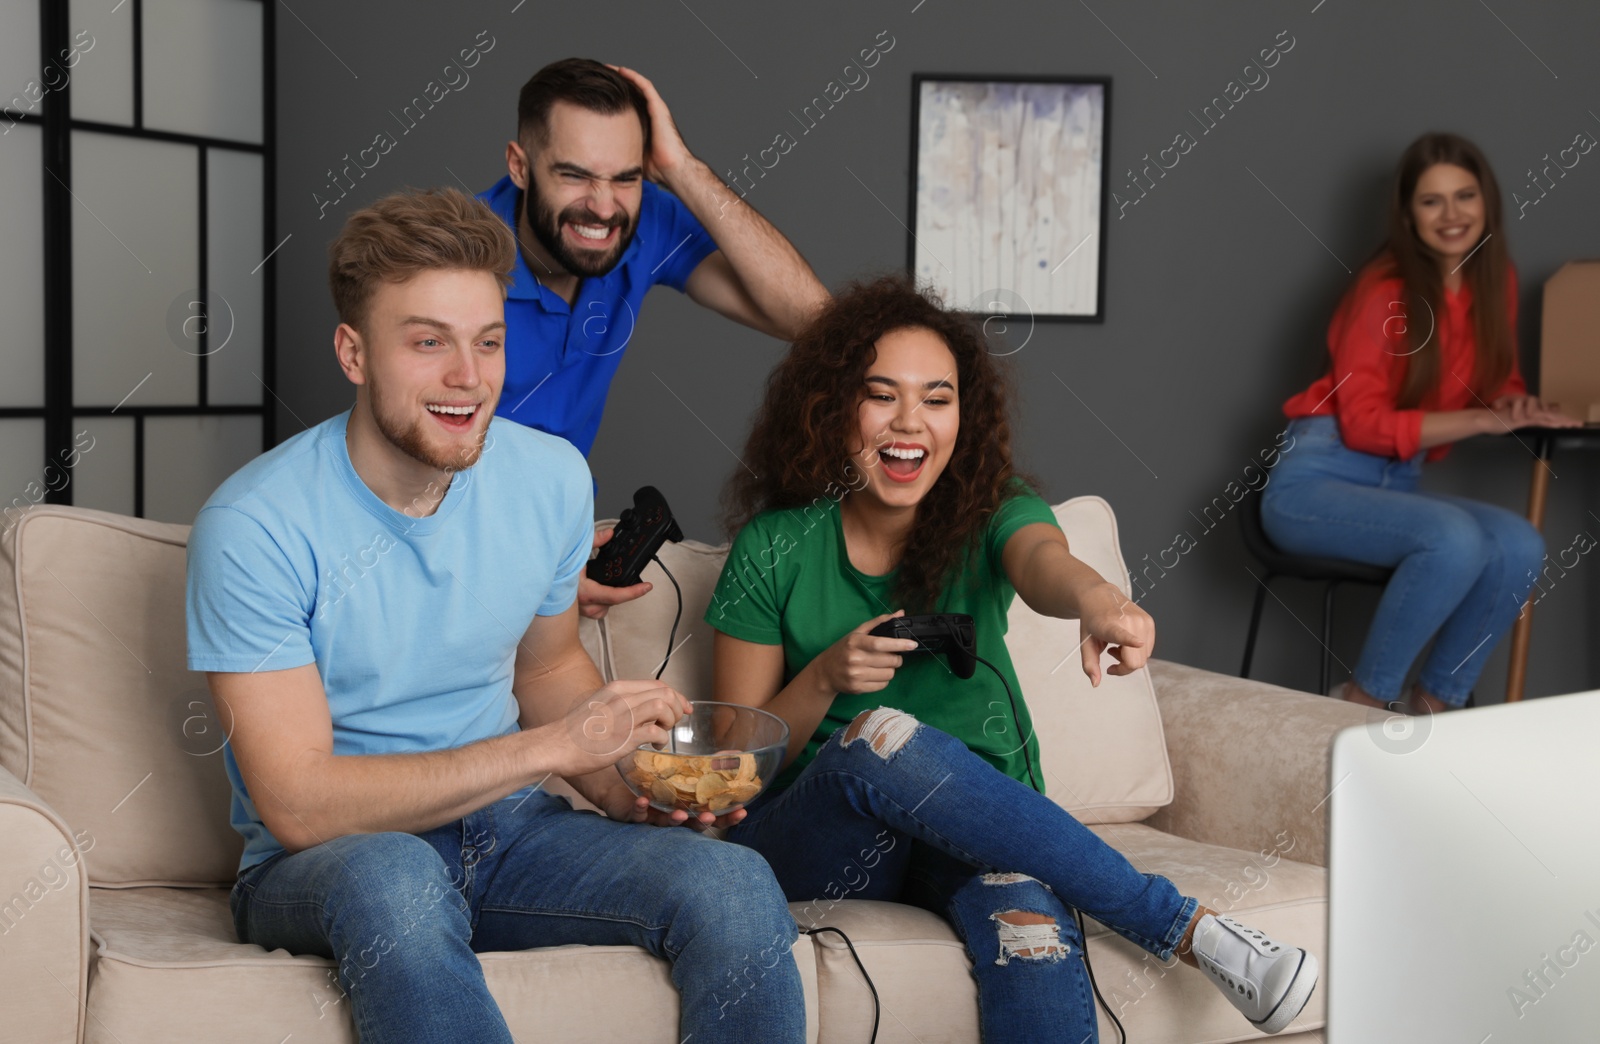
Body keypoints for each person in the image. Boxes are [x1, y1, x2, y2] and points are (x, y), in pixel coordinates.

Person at [185, 188, 805, 1044]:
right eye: (428, 342)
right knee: (397, 873)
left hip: (510, 833)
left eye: (488, 342)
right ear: (354, 353)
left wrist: (623, 787)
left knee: (732, 883)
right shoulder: (254, 526)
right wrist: (554, 749)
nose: (468, 379)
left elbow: (545, 670)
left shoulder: (549, 479)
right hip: (329, 862)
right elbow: (296, 803)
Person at [703, 276, 1319, 1041]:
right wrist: (826, 677)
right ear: (833, 408)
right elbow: (735, 763)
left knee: (1032, 937)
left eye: (937, 397)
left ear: (964, 413)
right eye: (881, 395)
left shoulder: (988, 510)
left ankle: (1189, 938)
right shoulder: (775, 547)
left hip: (970, 829)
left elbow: (1043, 561)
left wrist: (1100, 603)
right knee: (881, 735)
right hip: (824, 844)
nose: (910, 423)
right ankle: (1186, 928)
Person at [480, 57, 830, 619]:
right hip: (456, 562)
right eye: (574, 174)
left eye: (625, 177)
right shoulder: (454, 264)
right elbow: (412, 473)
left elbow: (814, 320)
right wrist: (529, 578)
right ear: (520, 167)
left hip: (554, 558)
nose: (602, 205)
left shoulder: (646, 224)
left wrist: (680, 166)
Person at [1262, 132, 1579, 713]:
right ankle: (1360, 705)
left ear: (1488, 202)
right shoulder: (1384, 291)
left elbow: (1495, 381)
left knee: (1519, 544)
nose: (1452, 215)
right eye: (1432, 201)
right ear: (1408, 214)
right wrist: (1478, 422)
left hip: (1397, 484)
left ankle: (1433, 709)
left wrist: (1514, 406)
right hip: (1317, 481)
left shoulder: (1493, 278)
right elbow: (1361, 425)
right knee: (1453, 539)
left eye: (1465, 196)